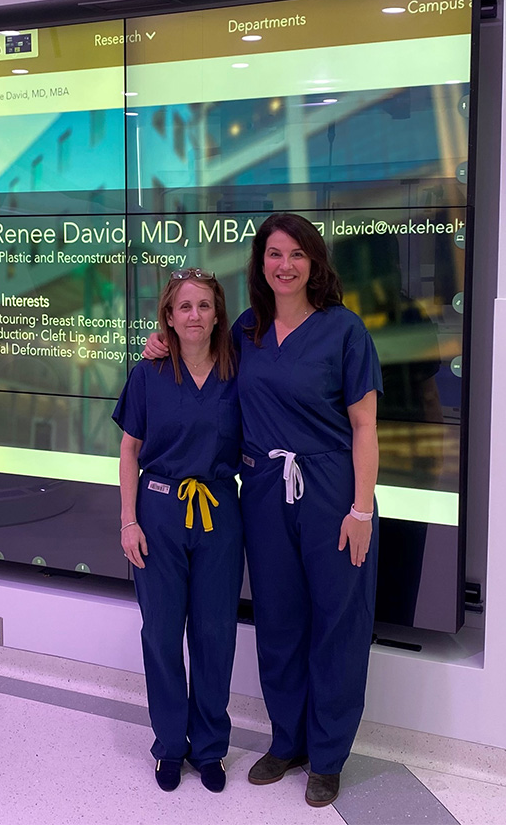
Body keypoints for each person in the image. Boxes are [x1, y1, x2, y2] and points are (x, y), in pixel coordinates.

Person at [143, 213, 382, 808]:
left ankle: (327, 757)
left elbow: (366, 426)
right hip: (265, 487)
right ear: (261, 264)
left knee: (336, 623)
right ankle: (288, 742)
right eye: (274, 254)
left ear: (314, 263)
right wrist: (160, 342)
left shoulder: (345, 331)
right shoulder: (246, 330)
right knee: (278, 621)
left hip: (331, 487)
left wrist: (360, 509)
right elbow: (192, 348)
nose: (285, 265)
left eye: (297, 254)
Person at [113, 268, 244, 794]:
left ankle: (209, 747)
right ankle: (170, 745)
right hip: (160, 513)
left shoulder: (239, 369)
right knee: (162, 635)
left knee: (215, 637)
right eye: (184, 307)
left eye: (205, 306)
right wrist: (128, 520)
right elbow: (128, 450)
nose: (195, 316)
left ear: (218, 314)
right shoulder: (148, 374)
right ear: (168, 316)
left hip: (218, 515)